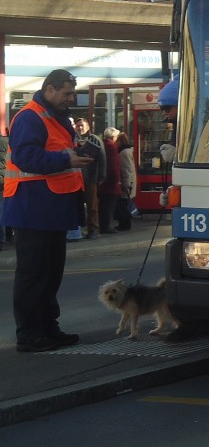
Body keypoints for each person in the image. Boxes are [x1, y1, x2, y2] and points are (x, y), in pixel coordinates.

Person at [5, 69, 94, 353]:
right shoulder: (30, 117)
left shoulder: (54, 117)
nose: (71, 99)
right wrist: (66, 158)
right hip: (33, 207)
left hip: (51, 207)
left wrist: (73, 154)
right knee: (34, 274)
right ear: (50, 89)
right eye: (67, 93)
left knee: (50, 273)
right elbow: (26, 157)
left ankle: (47, 328)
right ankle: (29, 333)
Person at [155, 77, 209, 343]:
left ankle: (199, 322)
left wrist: (184, 153)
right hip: (194, 203)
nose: (165, 114)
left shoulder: (201, 126)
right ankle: (203, 321)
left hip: (205, 203)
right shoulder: (184, 127)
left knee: (198, 264)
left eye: (168, 108)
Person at [72, 118, 105, 239]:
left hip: (91, 177)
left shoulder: (94, 139)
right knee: (78, 205)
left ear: (88, 126)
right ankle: (81, 230)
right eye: (78, 126)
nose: (80, 128)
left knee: (92, 205)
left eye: (82, 125)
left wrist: (102, 176)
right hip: (76, 179)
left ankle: (94, 229)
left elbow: (102, 159)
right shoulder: (73, 139)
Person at [98, 128, 123, 233]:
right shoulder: (112, 147)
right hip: (111, 183)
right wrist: (117, 180)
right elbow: (113, 166)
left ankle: (103, 225)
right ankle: (106, 226)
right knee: (108, 206)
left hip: (102, 181)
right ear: (113, 137)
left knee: (103, 205)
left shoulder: (102, 145)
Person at [115, 132, 136, 231]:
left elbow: (126, 170)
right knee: (125, 204)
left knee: (122, 205)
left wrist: (126, 184)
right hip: (130, 182)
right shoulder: (128, 151)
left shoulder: (123, 153)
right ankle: (125, 224)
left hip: (126, 183)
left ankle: (124, 224)